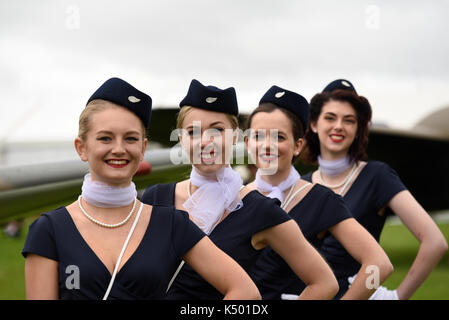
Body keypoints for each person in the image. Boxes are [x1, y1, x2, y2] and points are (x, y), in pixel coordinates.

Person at [22, 77, 260, 300]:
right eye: (105, 138)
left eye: (131, 138)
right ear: (81, 147)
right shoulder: (49, 231)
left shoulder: (171, 224)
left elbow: (246, 292)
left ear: (143, 148)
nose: (118, 149)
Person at [140, 79, 339, 300]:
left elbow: (324, 283)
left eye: (217, 130)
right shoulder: (154, 197)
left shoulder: (261, 210)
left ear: (235, 137)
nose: (206, 141)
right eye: (193, 132)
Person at [302, 79, 448, 299]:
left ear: (359, 127)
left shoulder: (377, 177)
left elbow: (435, 242)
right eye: (330, 117)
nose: (338, 126)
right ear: (314, 123)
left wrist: (398, 296)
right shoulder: (301, 185)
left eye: (349, 120)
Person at [245, 85, 393, 300]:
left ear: (298, 145)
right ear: (248, 142)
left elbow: (380, 265)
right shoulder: (234, 197)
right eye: (259, 136)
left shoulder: (320, 199)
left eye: (279, 137)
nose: (267, 145)